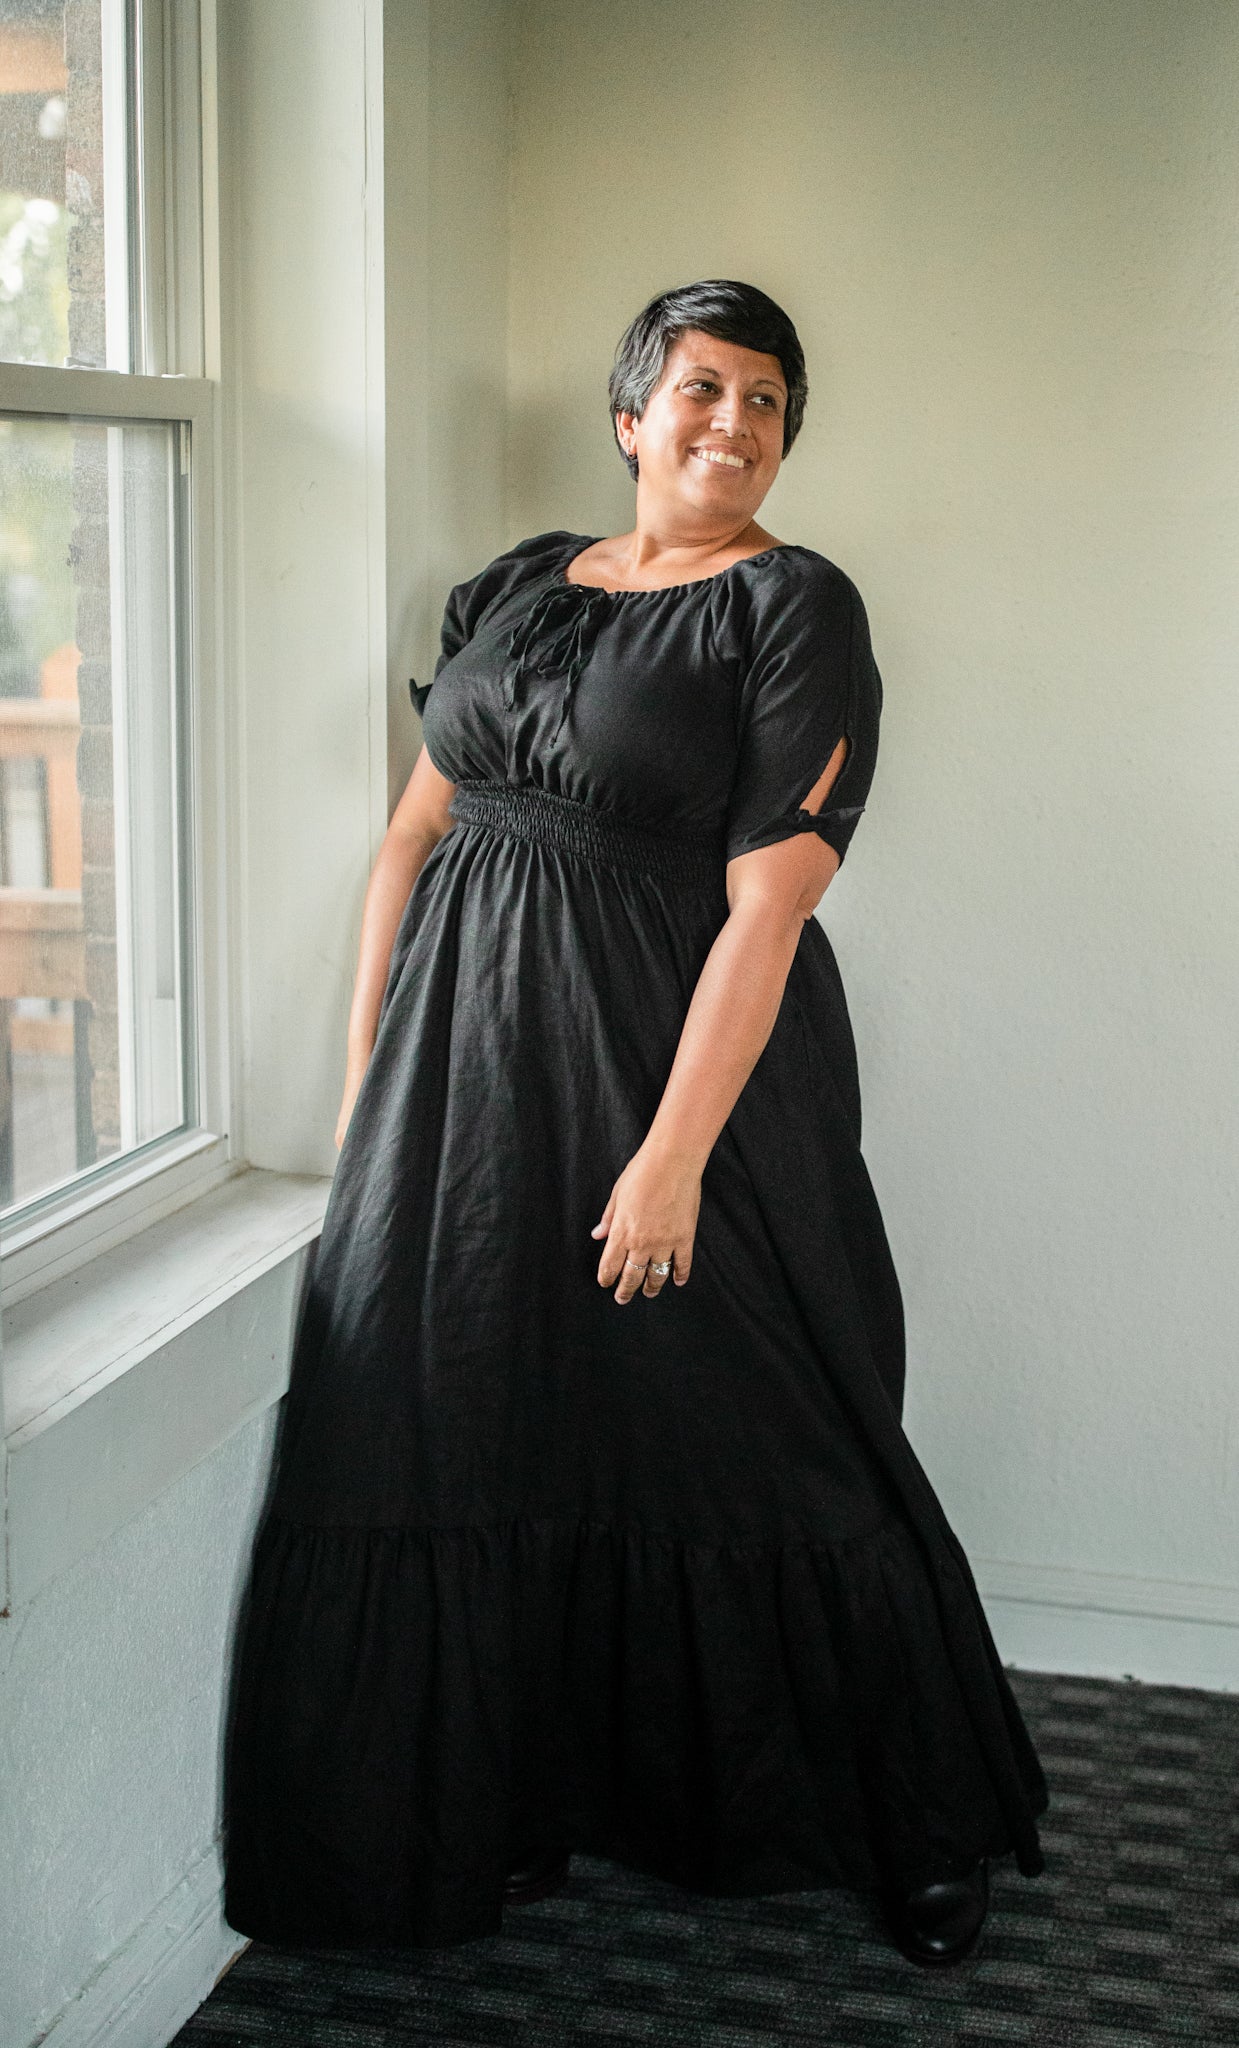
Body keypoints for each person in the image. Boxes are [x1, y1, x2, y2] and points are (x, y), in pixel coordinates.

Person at [223, 278, 1048, 1967]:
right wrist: (373, 1072)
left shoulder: (796, 606)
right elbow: (412, 840)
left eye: (766, 401)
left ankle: (906, 1826)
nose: (732, 423)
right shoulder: (515, 588)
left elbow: (768, 915)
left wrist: (668, 1159)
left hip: (684, 1082)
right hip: (464, 1081)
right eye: (701, 390)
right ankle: (511, 1795)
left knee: (771, 1425)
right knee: (456, 1415)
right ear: (629, 416)